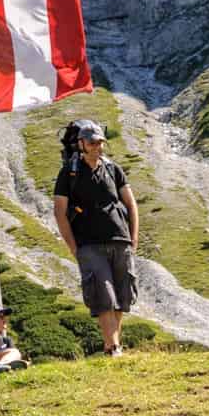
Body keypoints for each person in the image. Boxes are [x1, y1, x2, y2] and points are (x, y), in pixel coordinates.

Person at [53, 119, 139, 356]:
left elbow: (131, 204)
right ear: (81, 144)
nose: (98, 147)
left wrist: (133, 239)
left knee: (122, 295)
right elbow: (60, 211)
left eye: (101, 142)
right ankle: (114, 346)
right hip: (88, 244)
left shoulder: (114, 169)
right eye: (92, 143)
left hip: (120, 239)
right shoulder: (68, 173)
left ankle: (112, 345)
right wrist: (73, 247)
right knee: (104, 296)